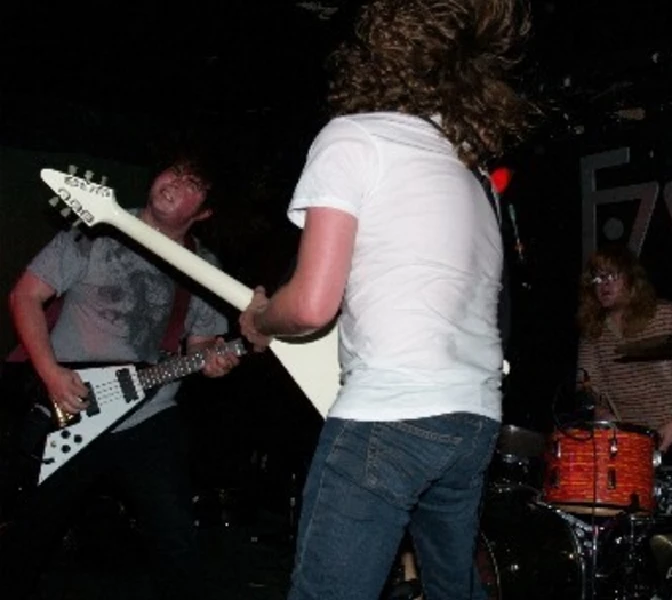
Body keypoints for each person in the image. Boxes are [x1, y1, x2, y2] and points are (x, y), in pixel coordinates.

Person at [238, 1, 535, 598]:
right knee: (456, 589)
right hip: (471, 419)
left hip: (390, 419)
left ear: (375, 61)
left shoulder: (353, 137)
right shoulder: (471, 174)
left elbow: (314, 304)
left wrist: (261, 319)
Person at [0, 152, 240, 600]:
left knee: (177, 541)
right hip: (73, 404)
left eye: (192, 184)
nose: (174, 183)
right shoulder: (95, 231)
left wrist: (216, 359)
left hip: (150, 418)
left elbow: (203, 344)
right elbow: (25, 297)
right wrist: (51, 373)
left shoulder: (204, 267)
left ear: (205, 212)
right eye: (174, 172)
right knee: (29, 535)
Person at [576, 245, 672, 454]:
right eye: (597, 278)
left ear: (632, 279)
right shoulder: (593, 332)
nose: (603, 284)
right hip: (627, 442)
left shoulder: (667, 315)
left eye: (612, 275)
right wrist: (601, 412)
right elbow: (588, 386)